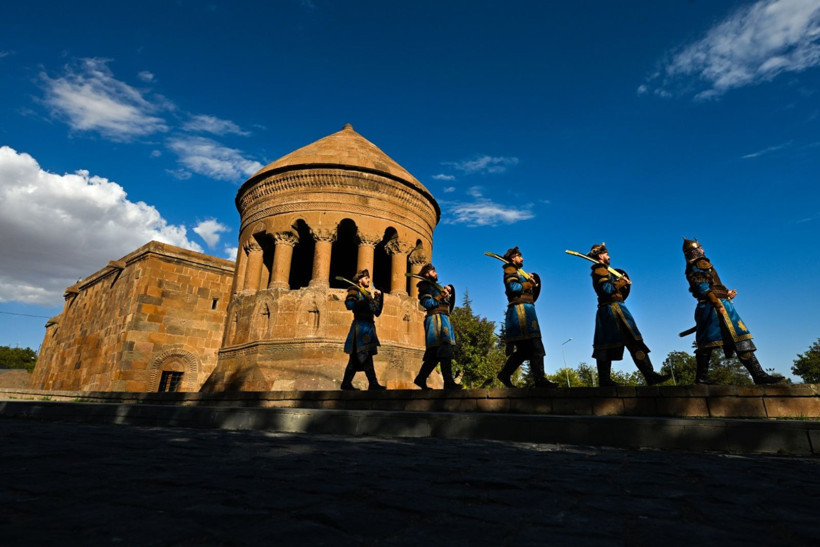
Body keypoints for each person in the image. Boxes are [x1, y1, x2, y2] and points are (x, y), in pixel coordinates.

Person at [683, 238, 784, 385]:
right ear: (696, 251)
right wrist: (717, 304)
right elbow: (703, 288)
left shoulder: (700, 265)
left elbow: (713, 286)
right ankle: (703, 377)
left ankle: (758, 375)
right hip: (714, 309)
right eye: (700, 248)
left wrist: (726, 293)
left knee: (739, 339)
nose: (703, 250)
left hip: (719, 306)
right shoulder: (699, 264)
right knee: (710, 343)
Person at [587, 243, 670, 386]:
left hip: (618, 308)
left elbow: (613, 289)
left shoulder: (607, 271)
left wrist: (621, 285)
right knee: (606, 346)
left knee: (635, 342)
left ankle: (650, 375)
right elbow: (606, 290)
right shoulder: (599, 270)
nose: (609, 256)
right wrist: (619, 283)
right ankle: (605, 380)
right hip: (610, 311)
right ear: (600, 256)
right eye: (606, 254)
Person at [496, 247, 557, 388]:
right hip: (520, 313)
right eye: (519, 256)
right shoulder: (510, 270)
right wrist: (528, 283)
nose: (522, 259)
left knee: (524, 351)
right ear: (513, 258)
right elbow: (513, 288)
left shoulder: (520, 272)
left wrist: (531, 281)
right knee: (536, 346)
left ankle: (505, 374)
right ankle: (540, 380)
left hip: (527, 312)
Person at [413, 264, 462, 390]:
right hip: (436, 321)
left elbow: (449, 305)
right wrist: (440, 296)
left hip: (444, 320)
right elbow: (426, 303)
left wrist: (450, 290)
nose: (435, 273)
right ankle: (448, 382)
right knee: (444, 350)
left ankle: (421, 378)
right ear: (426, 274)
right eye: (432, 271)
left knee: (434, 354)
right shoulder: (425, 286)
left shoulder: (436, 287)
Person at [340, 269, 386, 390]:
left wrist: (378, 297)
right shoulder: (354, 290)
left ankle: (346, 383)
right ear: (360, 280)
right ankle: (373, 383)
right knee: (364, 355)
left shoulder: (367, 294)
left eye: (369, 278)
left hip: (369, 327)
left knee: (357, 358)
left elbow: (376, 312)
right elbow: (350, 305)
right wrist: (363, 301)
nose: (369, 280)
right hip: (360, 327)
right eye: (366, 278)